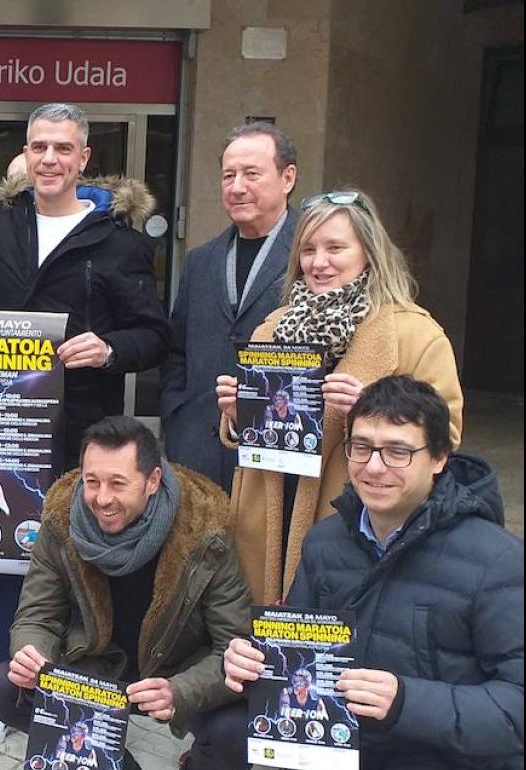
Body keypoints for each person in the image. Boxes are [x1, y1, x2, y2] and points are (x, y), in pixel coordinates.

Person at [0, 102, 173, 747]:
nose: (50, 160)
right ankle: (11, 684)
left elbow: (154, 335)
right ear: (25, 156)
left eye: (63, 148)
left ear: (84, 158)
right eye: (39, 147)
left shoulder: (118, 241)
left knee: (75, 558)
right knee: (12, 553)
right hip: (4, 420)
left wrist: (110, 347)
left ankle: (80, 687)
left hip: (84, 429)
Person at [223, 375, 523, 770]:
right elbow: (298, 656)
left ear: (438, 458)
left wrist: (405, 701)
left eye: (398, 451)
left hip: (448, 755)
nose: (374, 467)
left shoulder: (497, 560)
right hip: (346, 746)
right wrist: (254, 662)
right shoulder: (324, 542)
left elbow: (516, 706)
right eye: (361, 448)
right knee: (221, 734)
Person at [215, 189, 464, 604]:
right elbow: (259, 433)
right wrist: (239, 416)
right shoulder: (272, 327)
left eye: (335, 247)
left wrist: (376, 409)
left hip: (355, 519)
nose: (318, 262)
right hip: (270, 518)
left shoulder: (415, 333)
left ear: (369, 252)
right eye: (308, 249)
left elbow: (447, 437)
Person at [0, 416, 251, 770]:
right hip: (96, 667)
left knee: (238, 732)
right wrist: (34, 656)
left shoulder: (204, 530)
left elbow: (234, 645)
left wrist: (180, 691)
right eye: (91, 481)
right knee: (3, 687)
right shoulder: (61, 521)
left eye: (118, 483)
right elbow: (37, 615)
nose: (102, 498)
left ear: (152, 481)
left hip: (173, 671)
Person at [161, 122, 299, 493]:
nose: (237, 187)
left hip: (278, 458)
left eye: (252, 174)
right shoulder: (201, 260)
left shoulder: (313, 256)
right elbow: (178, 352)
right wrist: (176, 415)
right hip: (198, 453)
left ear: (287, 178)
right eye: (228, 175)